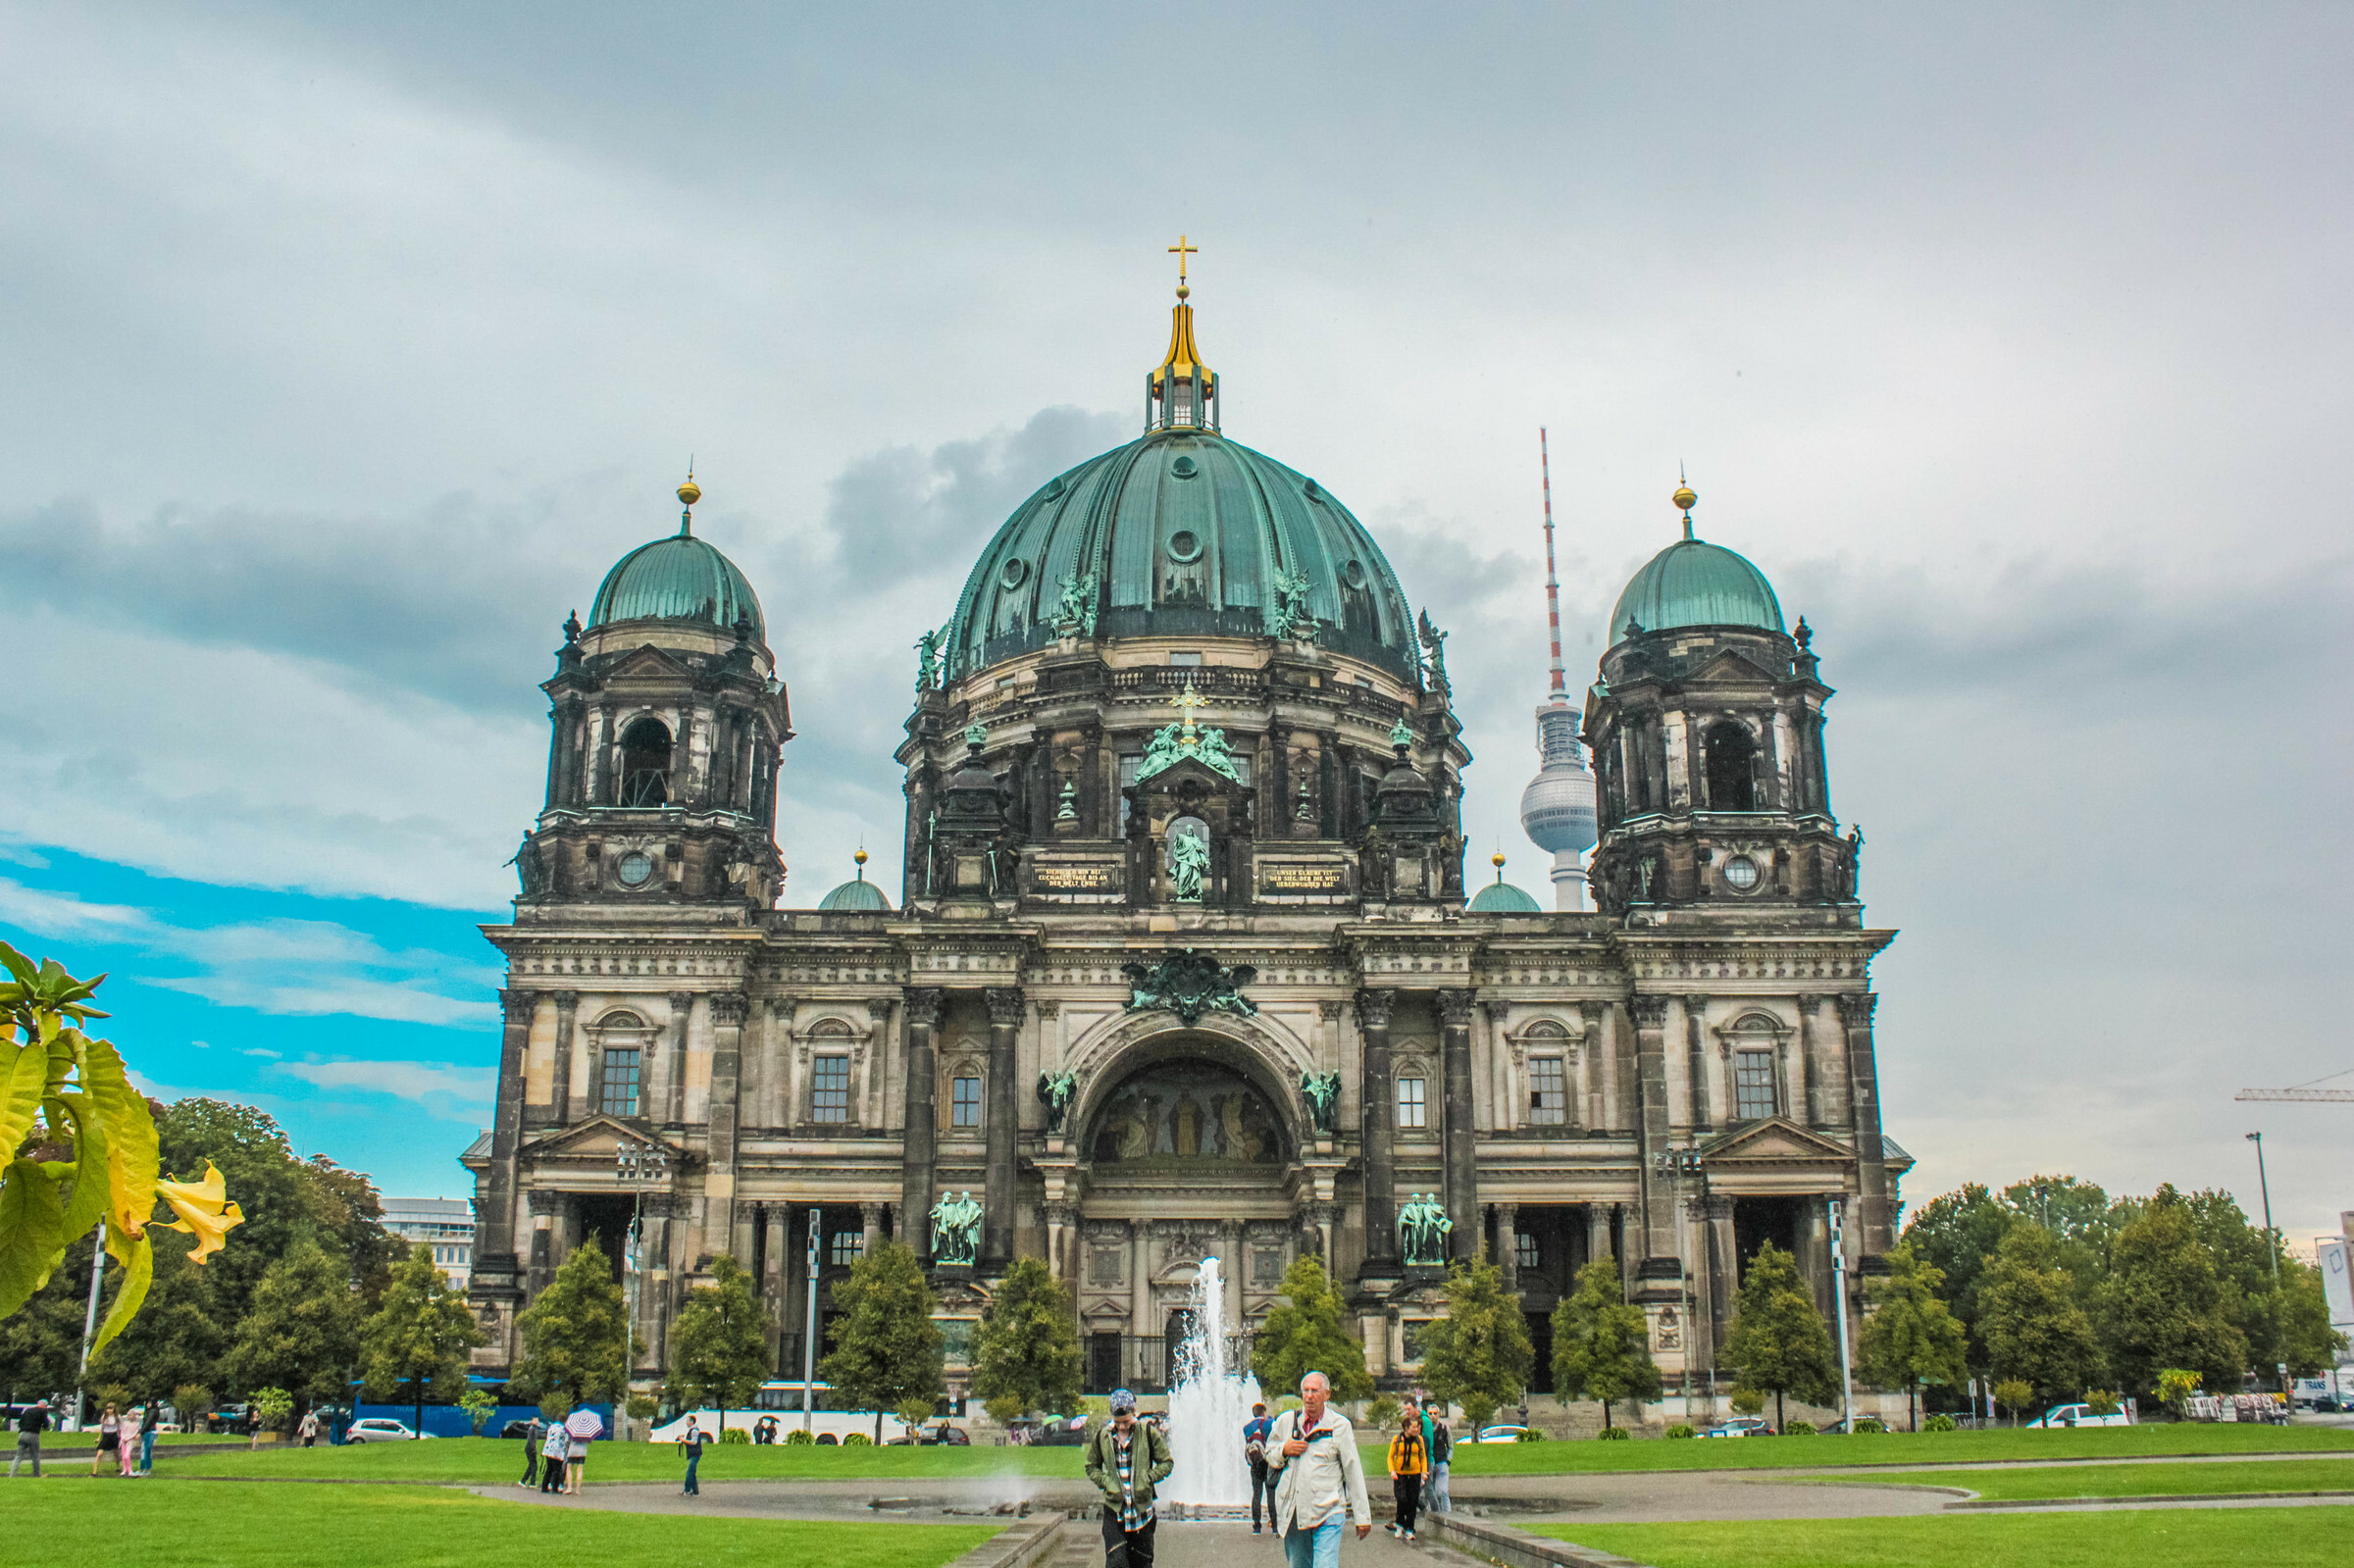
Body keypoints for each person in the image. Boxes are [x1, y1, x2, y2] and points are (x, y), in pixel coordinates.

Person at [1263, 1372, 1371, 1568]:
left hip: (1329, 1509)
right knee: (1299, 1565)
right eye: (1306, 1390)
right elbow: (1269, 1453)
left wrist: (1362, 1516)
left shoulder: (1340, 1426)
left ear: (1327, 1395)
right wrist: (1284, 1450)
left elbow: (1352, 1470)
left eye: (1315, 1391)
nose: (1309, 1396)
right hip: (1295, 1510)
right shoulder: (1286, 1421)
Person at [1084, 1390, 1172, 1568]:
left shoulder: (1148, 1433)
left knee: (1142, 1563)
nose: (1122, 1427)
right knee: (1116, 1562)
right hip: (1115, 1512)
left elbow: (1166, 1462)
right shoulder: (1103, 1436)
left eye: (1125, 1421)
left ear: (1134, 1412)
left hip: (1142, 1514)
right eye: (1118, 1422)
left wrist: (1149, 1477)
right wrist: (1105, 1481)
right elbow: (1091, 1466)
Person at [1384, 1405, 1427, 1543]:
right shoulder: (1397, 1440)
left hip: (1414, 1474)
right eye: (1414, 1427)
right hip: (1400, 1475)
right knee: (1402, 1500)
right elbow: (1390, 1457)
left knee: (1413, 1502)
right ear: (1406, 1428)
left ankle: (1409, 1529)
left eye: (1418, 1427)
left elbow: (1423, 1457)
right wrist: (1392, 1471)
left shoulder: (1419, 1440)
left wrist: (1424, 1472)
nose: (1417, 1430)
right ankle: (1399, 1525)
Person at [1243, 1400, 1276, 1536]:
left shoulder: (1247, 1427)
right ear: (1263, 1412)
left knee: (1256, 1494)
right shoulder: (1269, 1424)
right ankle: (1275, 1525)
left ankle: (1256, 1526)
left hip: (1255, 1463)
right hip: (1268, 1461)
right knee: (1271, 1493)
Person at [562, 1407, 602, 1493]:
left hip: (572, 1451)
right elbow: (590, 1440)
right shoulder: (586, 1430)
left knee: (569, 1468)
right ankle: (577, 1490)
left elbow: (566, 1440)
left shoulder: (572, 1428)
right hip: (582, 1451)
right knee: (579, 1469)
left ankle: (569, 1488)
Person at [11, 1399, 48, 1478]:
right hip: (33, 1434)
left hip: (22, 1434)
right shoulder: (43, 1411)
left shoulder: (28, 1410)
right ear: (44, 1405)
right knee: (35, 1455)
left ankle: (12, 1474)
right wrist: (44, 1426)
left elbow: (20, 1422)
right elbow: (45, 1423)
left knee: (18, 1455)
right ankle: (36, 1474)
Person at [1425, 1404, 1451, 1515]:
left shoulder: (1444, 1429)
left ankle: (1447, 1513)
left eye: (1435, 1413)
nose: (1433, 1416)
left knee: (1443, 1490)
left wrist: (1448, 1459)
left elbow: (1450, 1446)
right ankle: (1433, 1512)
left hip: (1441, 1461)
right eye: (1430, 1413)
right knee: (1431, 1491)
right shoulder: (1425, 1430)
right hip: (1429, 1463)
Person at [679, 1415, 712, 1495]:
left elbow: (694, 1442)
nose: (686, 1423)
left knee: (689, 1472)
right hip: (693, 1453)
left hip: (695, 1454)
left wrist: (683, 1440)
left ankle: (687, 1490)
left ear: (691, 1422)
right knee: (692, 1472)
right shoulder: (692, 1430)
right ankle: (695, 1490)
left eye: (687, 1421)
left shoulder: (694, 1431)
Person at [538, 1419, 569, 1493]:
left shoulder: (551, 1426)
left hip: (548, 1450)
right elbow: (566, 1440)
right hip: (557, 1451)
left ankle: (544, 1487)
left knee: (549, 1469)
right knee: (557, 1470)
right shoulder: (564, 1429)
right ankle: (555, 1488)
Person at [91, 1403, 121, 1477]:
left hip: (114, 1435)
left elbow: (120, 1428)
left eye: (111, 1409)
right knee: (99, 1453)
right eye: (108, 1409)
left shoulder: (117, 1417)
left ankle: (118, 1467)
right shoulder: (104, 1417)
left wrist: (120, 1437)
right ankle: (94, 1472)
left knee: (116, 1453)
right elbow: (102, 1428)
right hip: (106, 1436)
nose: (109, 1410)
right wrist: (99, 1438)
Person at [519, 1414, 546, 1488]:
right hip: (530, 1448)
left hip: (531, 1448)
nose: (537, 1421)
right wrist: (533, 1449)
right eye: (535, 1420)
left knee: (531, 1465)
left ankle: (523, 1480)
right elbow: (530, 1441)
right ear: (532, 1420)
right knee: (534, 1466)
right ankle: (532, 1483)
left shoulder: (535, 1428)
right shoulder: (532, 1429)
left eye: (537, 1420)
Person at [118, 1406, 143, 1478]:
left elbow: (135, 1433)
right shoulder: (125, 1423)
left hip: (130, 1440)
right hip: (123, 1440)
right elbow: (122, 1431)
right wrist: (123, 1438)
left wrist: (128, 1438)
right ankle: (124, 1469)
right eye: (128, 1415)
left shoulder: (136, 1424)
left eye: (130, 1415)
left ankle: (130, 1470)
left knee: (127, 1456)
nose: (129, 1417)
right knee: (123, 1456)